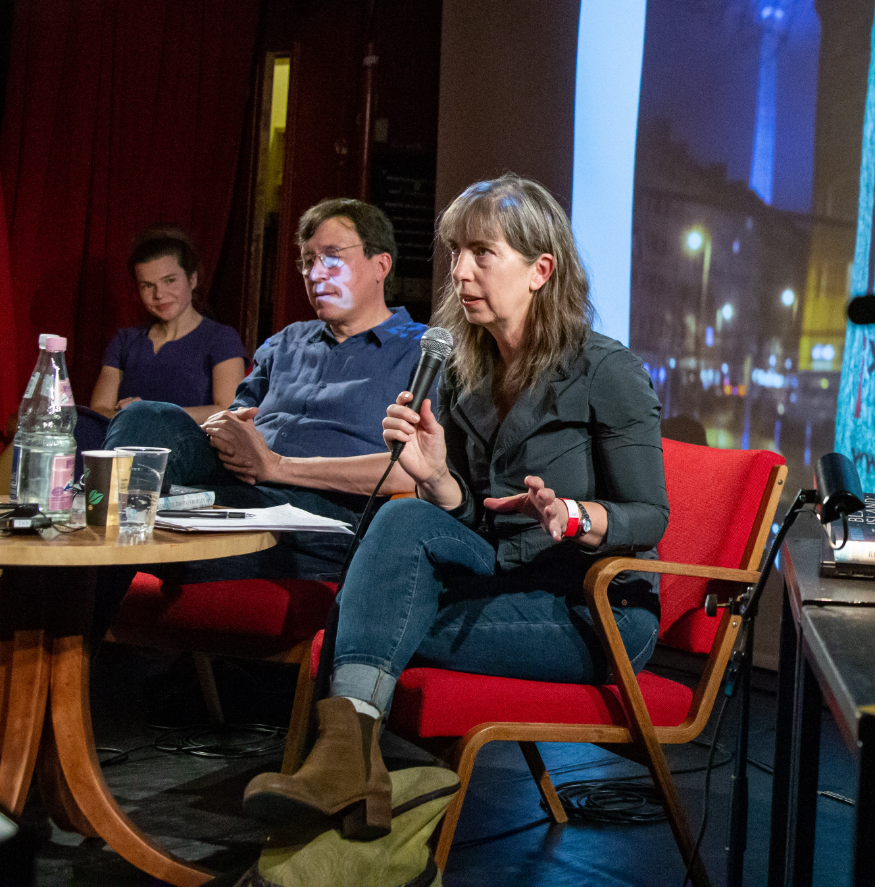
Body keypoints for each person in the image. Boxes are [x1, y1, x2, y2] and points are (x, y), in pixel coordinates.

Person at [242, 174, 668, 839]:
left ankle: (347, 778)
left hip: (589, 608)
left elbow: (650, 515)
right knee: (405, 516)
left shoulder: (604, 371)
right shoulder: (466, 372)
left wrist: (578, 516)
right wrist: (439, 479)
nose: (461, 273)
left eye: (482, 255)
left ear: (540, 270)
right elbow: (469, 515)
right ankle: (350, 781)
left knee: (364, 624)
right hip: (497, 578)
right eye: (455, 255)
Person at [103, 198, 433, 580]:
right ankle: (113, 519)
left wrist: (276, 466)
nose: (315, 274)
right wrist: (229, 431)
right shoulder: (286, 341)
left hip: (324, 516)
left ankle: (132, 520)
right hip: (240, 482)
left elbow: (413, 471)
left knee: (145, 517)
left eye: (331, 257)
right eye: (307, 261)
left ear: (381, 265)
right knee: (146, 418)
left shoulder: (422, 351)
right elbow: (234, 418)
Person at [90, 225, 246, 422]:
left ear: (192, 279)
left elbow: (228, 410)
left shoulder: (221, 338)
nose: (159, 295)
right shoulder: (125, 341)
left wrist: (152, 412)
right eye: (147, 285)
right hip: (127, 446)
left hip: (191, 449)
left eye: (170, 281)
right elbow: (99, 409)